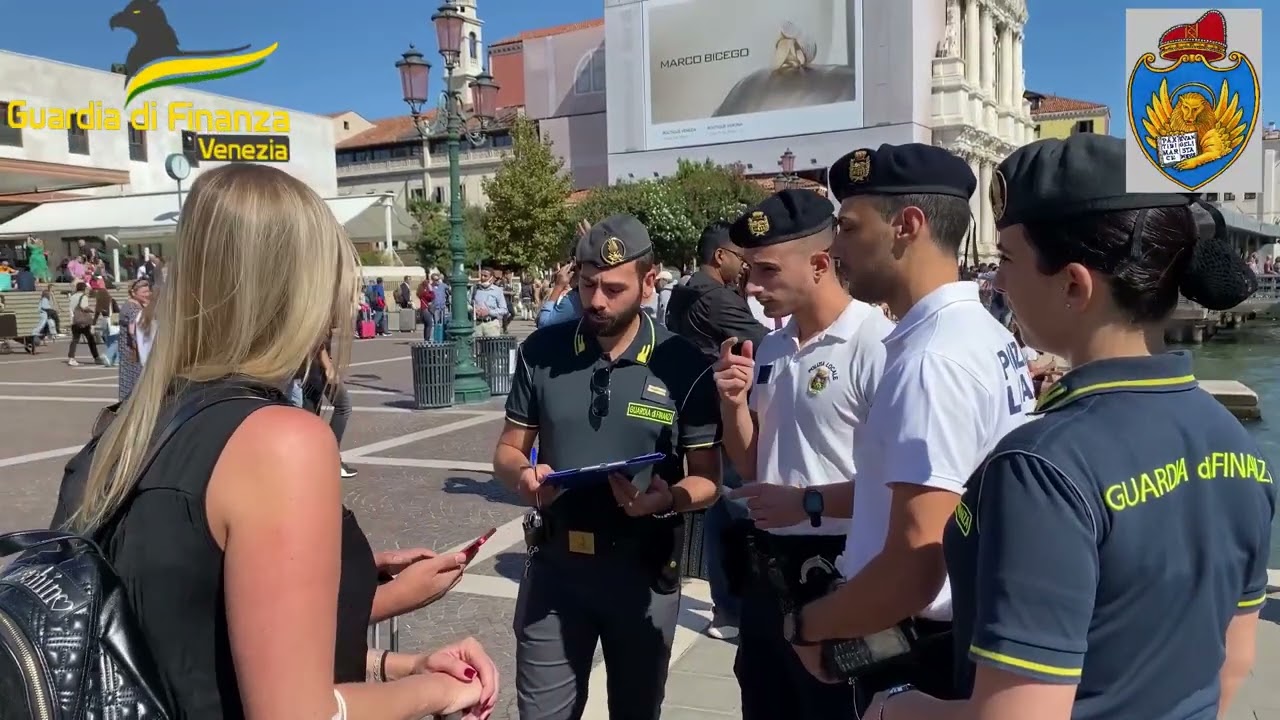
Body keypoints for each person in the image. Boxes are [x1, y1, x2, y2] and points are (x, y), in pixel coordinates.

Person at [51, 164, 498, 719]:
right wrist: (443, 692)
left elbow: (188, 635)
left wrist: (392, 657)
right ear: (302, 292)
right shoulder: (280, 442)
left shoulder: (121, 431)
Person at [869, 134, 1274, 720]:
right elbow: (1231, 665)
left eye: (1007, 259)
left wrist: (895, 709)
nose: (998, 283)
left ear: (1074, 285)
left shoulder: (1041, 467)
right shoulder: (1235, 442)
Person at [792, 144, 1035, 711]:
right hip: (963, 627)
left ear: (907, 225)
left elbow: (917, 563)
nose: (834, 247)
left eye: (849, 227)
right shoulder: (986, 335)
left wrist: (808, 624)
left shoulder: (933, 360)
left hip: (921, 647)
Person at [491, 213, 723, 720]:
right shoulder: (541, 351)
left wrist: (669, 499)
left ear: (649, 281)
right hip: (556, 570)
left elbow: (708, 477)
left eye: (613, 288)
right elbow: (508, 451)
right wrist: (524, 479)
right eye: (587, 283)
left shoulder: (684, 363)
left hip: (642, 574)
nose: (596, 300)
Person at [713, 189, 892, 719]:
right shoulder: (771, 348)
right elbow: (751, 464)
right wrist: (732, 405)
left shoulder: (875, 344)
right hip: (769, 575)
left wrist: (808, 504)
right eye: (748, 269)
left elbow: (899, 489)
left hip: (841, 570)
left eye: (766, 270)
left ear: (819, 264)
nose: (751, 286)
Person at [665, 220, 771, 640]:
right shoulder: (717, 298)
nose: (744, 270)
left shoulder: (684, 290)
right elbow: (761, 343)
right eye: (740, 260)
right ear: (720, 256)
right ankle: (733, 607)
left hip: (694, 409)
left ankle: (726, 607)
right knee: (736, 505)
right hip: (720, 412)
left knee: (719, 507)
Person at [470, 267, 509, 337]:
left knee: (491, 346)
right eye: (481, 275)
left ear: (491, 278)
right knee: (476, 347)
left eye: (485, 276)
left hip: (491, 324)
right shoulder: (474, 289)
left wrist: (489, 312)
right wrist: (473, 310)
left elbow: (504, 309)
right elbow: (467, 303)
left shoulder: (497, 291)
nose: (482, 278)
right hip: (477, 324)